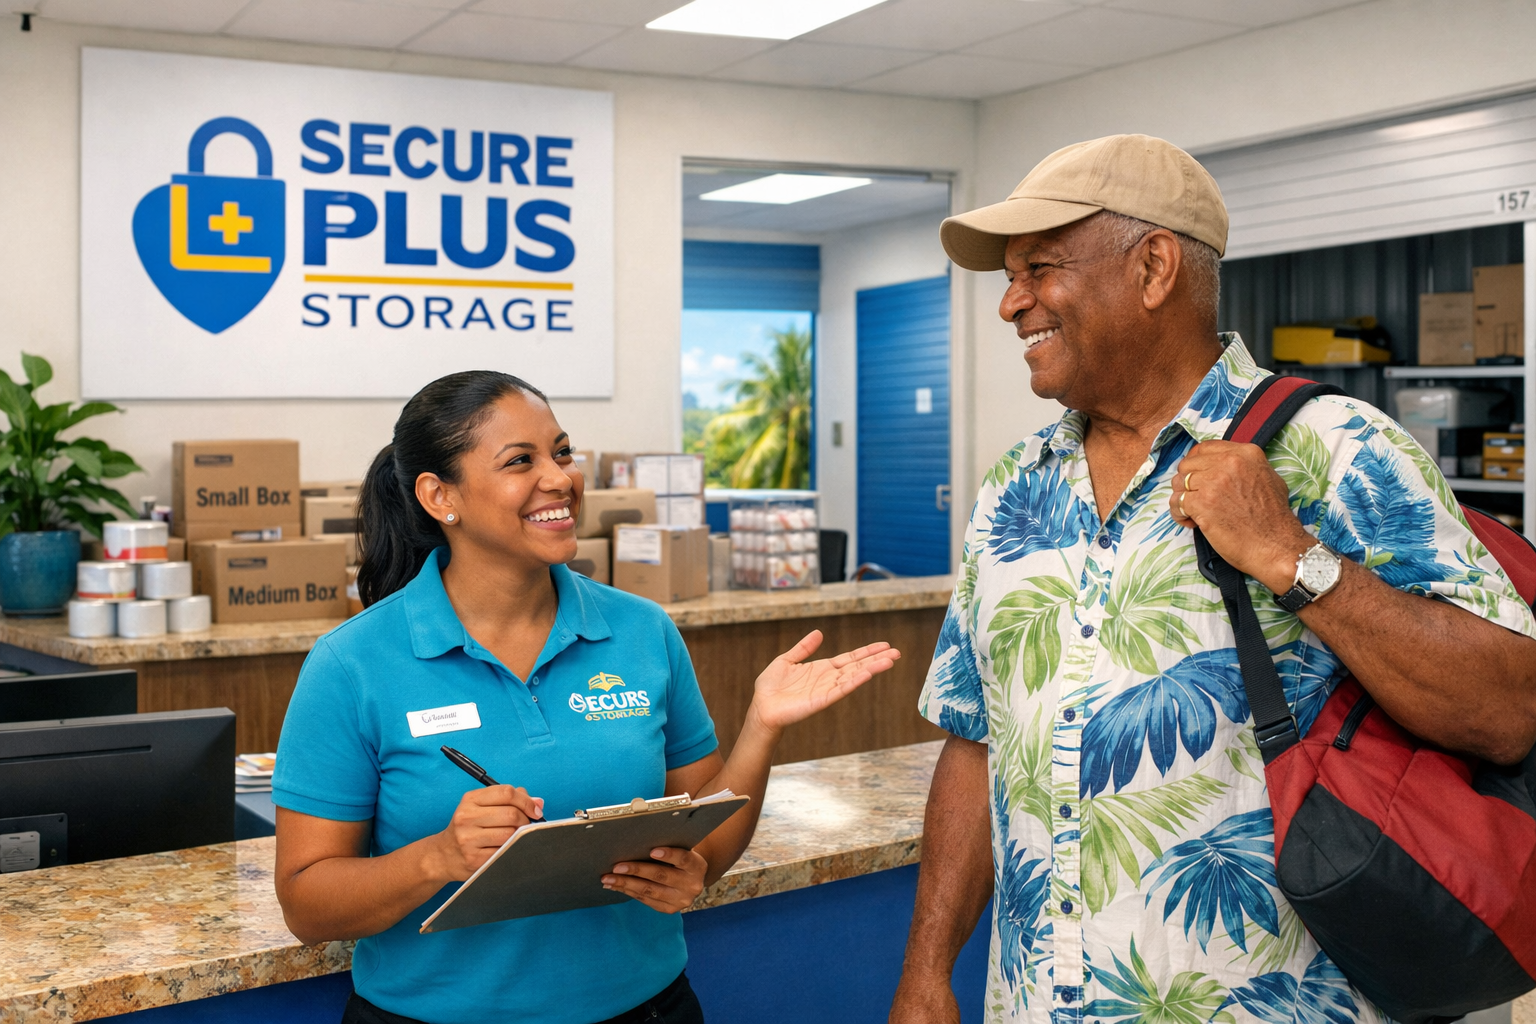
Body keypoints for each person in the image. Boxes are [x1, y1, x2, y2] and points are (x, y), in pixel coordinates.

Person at [889, 134, 1536, 1024]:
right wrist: (927, 972)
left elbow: (1507, 710)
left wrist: (1290, 558)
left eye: (1039, 268)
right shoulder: (1016, 490)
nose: (1010, 304)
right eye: (1009, 275)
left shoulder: (1337, 448)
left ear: (1153, 268)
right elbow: (976, 740)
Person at [270, 370, 901, 1024]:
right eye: (521, 461)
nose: (560, 478)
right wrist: (438, 858)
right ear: (439, 496)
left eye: (563, 453)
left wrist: (761, 730)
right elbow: (306, 905)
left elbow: (703, 844)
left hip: (648, 1010)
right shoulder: (352, 664)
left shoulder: (642, 630)